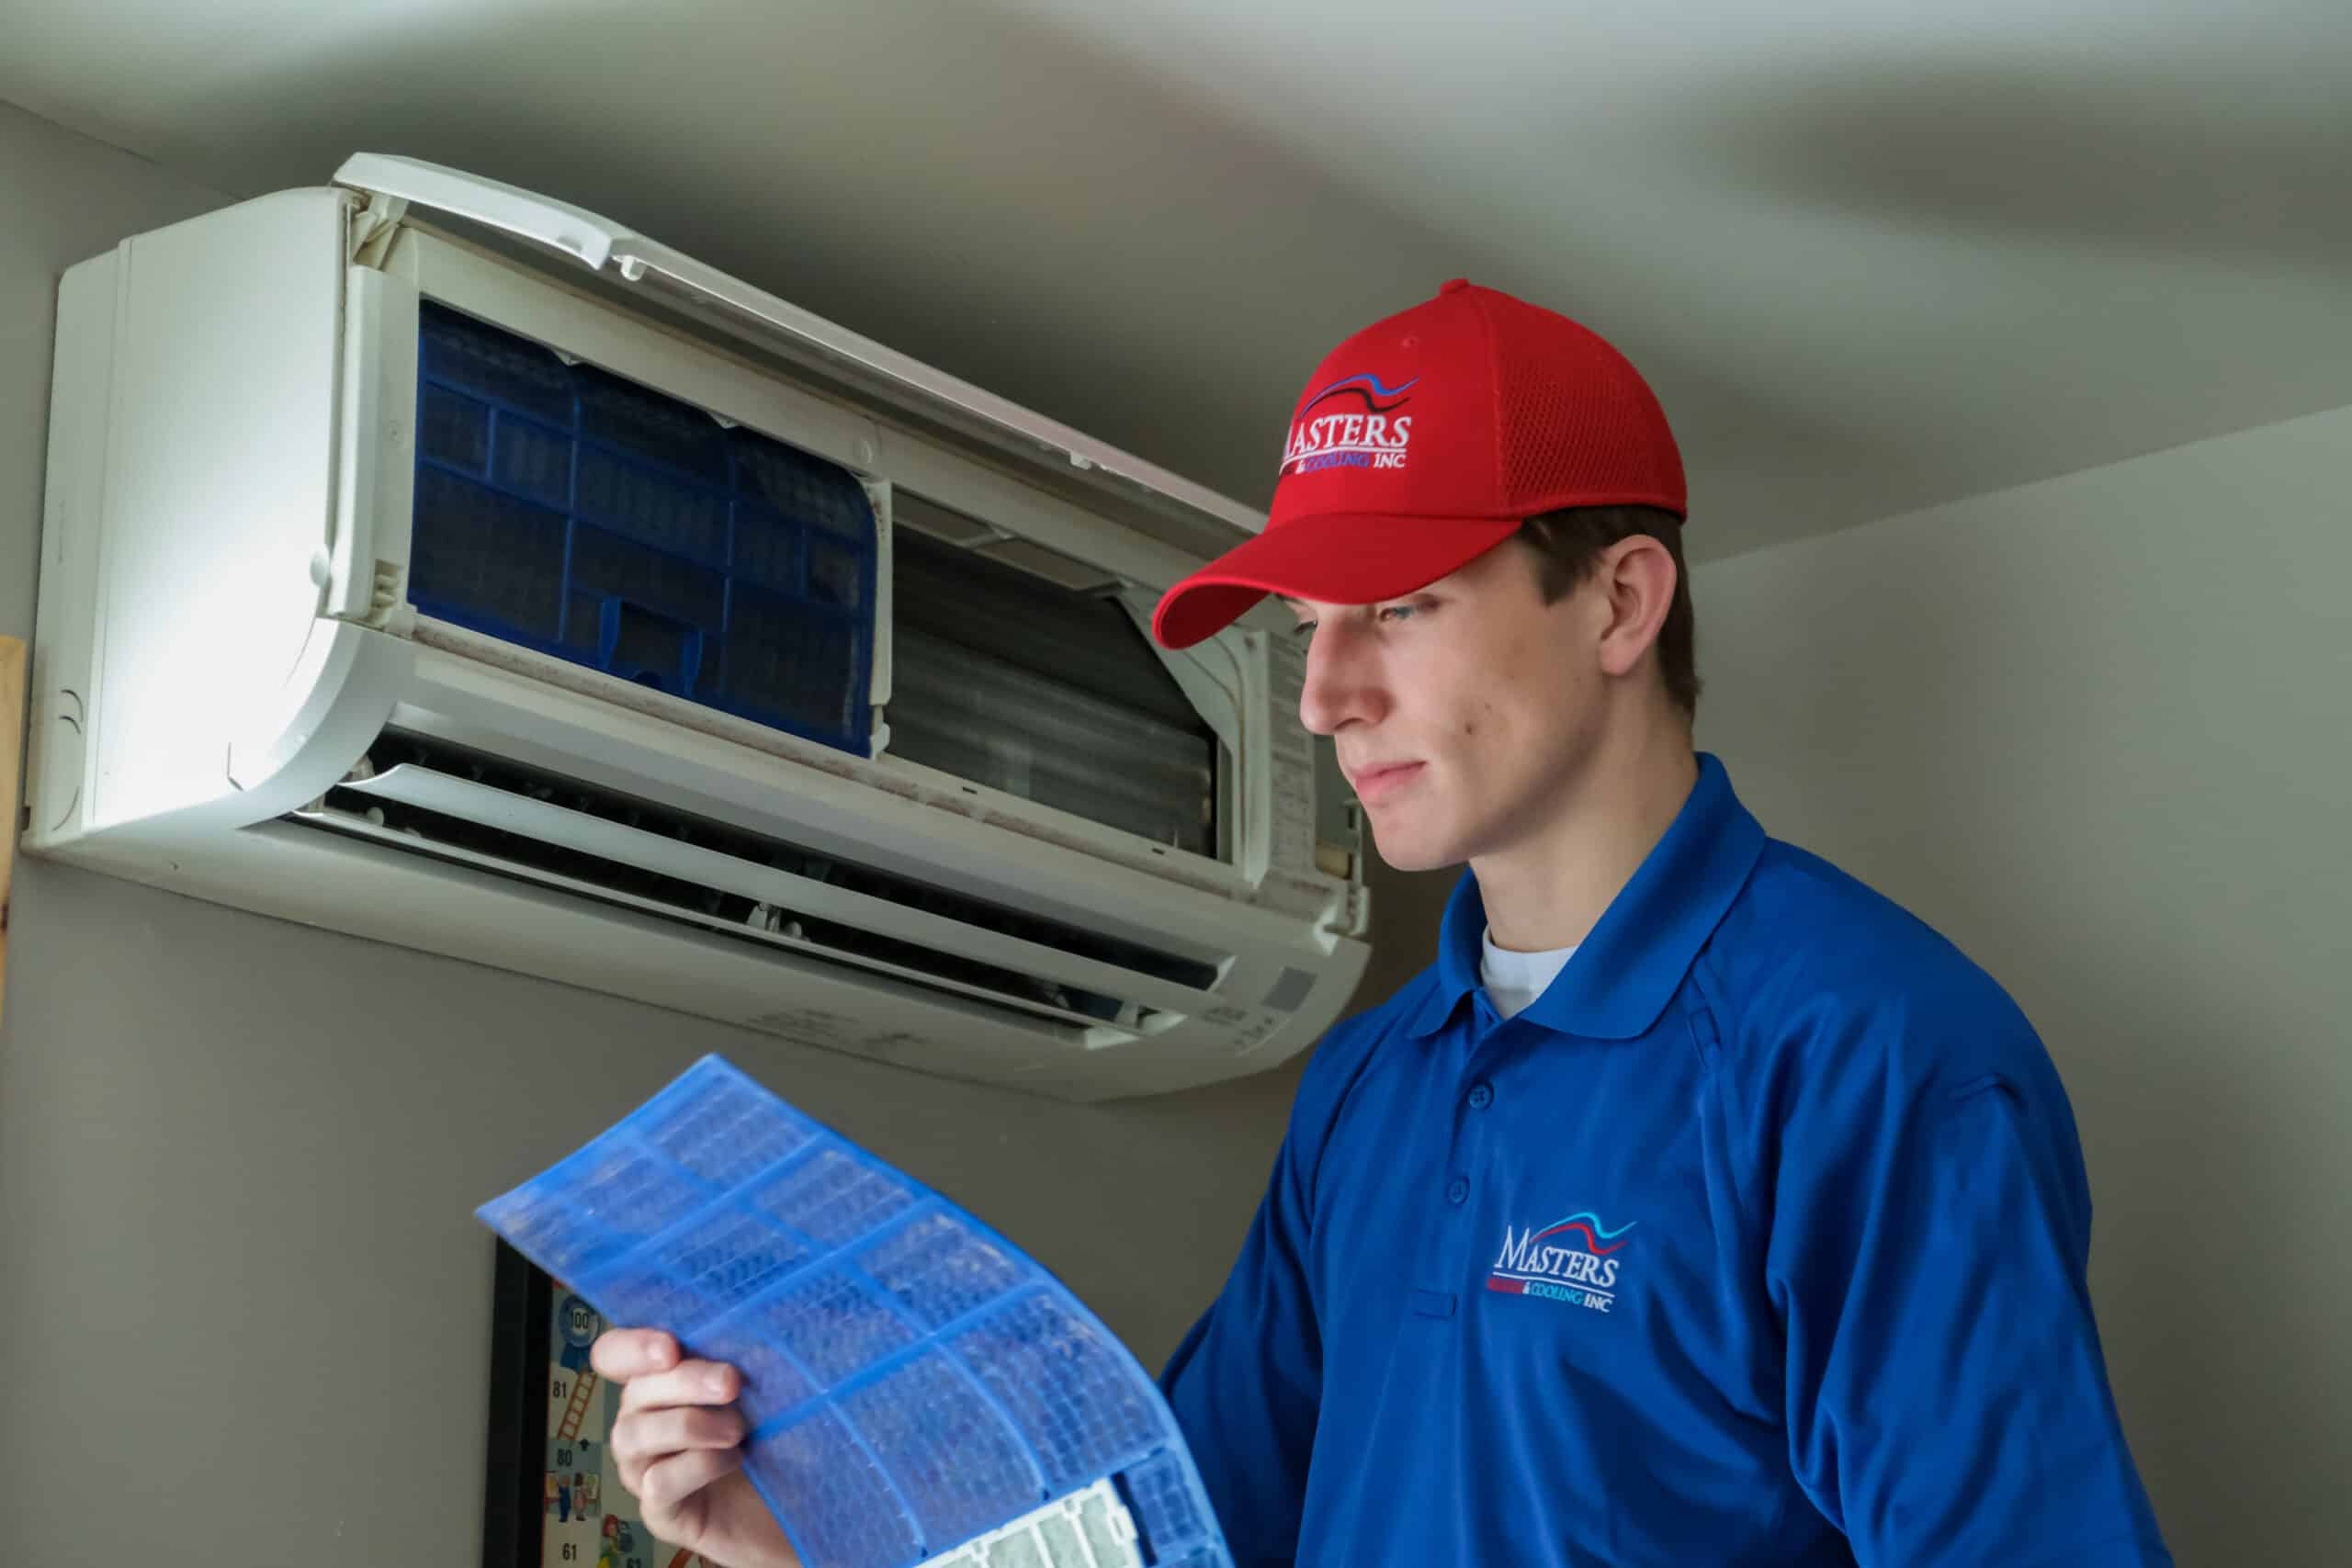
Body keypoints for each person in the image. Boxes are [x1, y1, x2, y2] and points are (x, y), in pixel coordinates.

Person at [591, 280, 2173, 1565]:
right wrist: (809, 1530)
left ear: (1621, 604)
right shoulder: (1370, 1087)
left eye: (1401, 609)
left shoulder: (1872, 1055)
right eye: (1308, 630)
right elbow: (1190, 1540)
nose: (1330, 699)